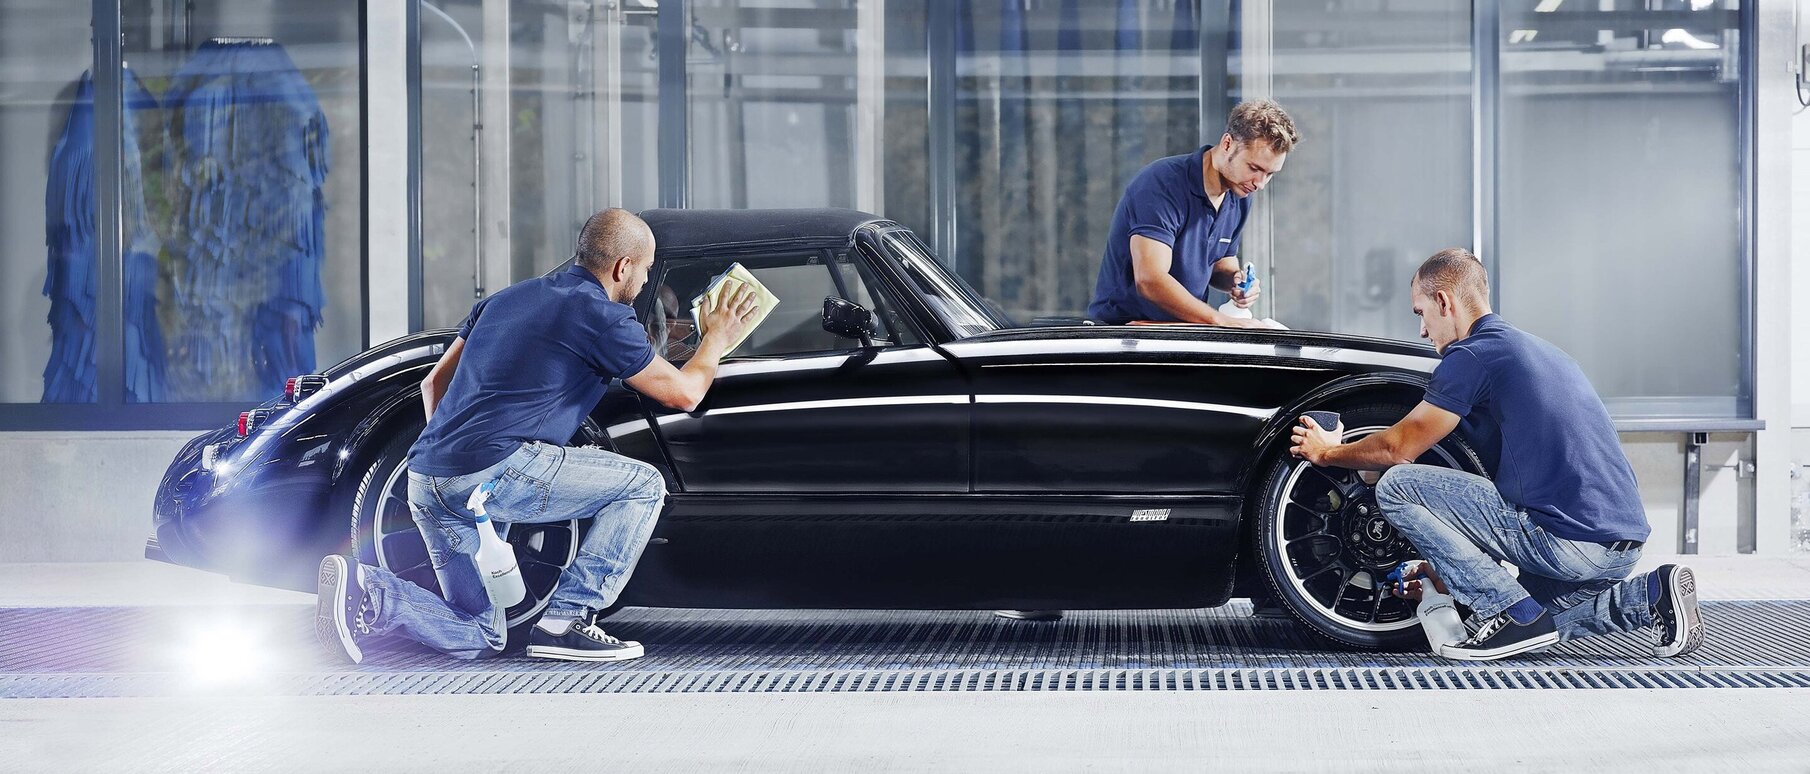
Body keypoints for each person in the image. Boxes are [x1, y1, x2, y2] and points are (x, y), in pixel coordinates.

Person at [314, 208, 759, 663]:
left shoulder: (505, 300)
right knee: (643, 486)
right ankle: (564, 621)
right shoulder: (602, 316)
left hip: (427, 478)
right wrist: (716, 339)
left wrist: (456, 460)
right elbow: (684, 394)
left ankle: (369, 591)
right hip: (495, 471)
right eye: (646, 269)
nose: (645, 281)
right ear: (623, 267)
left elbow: (434, 384)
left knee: (481, 632)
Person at [1287, 248, 1703, 662]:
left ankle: (1510, 609)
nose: (1421, 331)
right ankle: (1652, 593)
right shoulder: (1541, 351)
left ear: (1445, 301)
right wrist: (1444, 569)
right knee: (1540, 628)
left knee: (1398, 486)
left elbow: (1399, 448)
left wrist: (1329, 452)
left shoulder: (1471, 355)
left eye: (1420, 312)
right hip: (1619, 550)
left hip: (1567, 542)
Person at [1086, 99, 1299, 327]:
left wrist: (1235, 281)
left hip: (1184, 332)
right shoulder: (1162, 184)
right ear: (1227, 144)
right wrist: (1221, 321)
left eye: (1269, 174)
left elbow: (1220, 261)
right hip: (1124, 338)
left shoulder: (1240, 195)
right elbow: (1150, 279)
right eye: (1254, 168)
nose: (1260, 183)